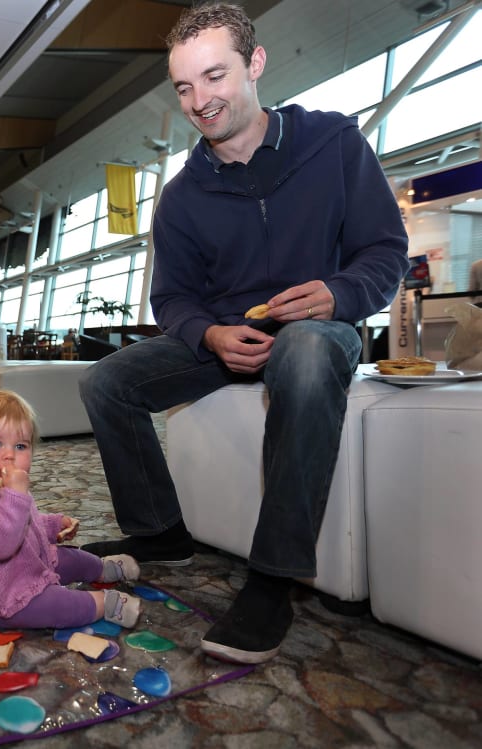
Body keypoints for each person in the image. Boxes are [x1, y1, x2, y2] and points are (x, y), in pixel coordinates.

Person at [78, 2, 409, 664]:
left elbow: (384, 251)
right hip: (229, 339)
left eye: (215, 76)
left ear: (254, 64)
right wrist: (209, 337)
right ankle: (159, 531)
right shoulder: (181, 197)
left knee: (309, 353)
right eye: (184, 87)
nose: (200, 100)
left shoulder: (334, 143)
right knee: (104, 381)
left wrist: (339, 293)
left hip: (318, 331)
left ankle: (273, 576)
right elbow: (171, 297)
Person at [0, 390, 142, 630]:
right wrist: (15, 495)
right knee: (54, 606)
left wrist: (52, 525)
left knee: (69, 557)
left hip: (19, 566)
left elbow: (23, 522)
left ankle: (101, 568)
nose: (9, 455)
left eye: (21, 445)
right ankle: (104, 604)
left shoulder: (10, 487)